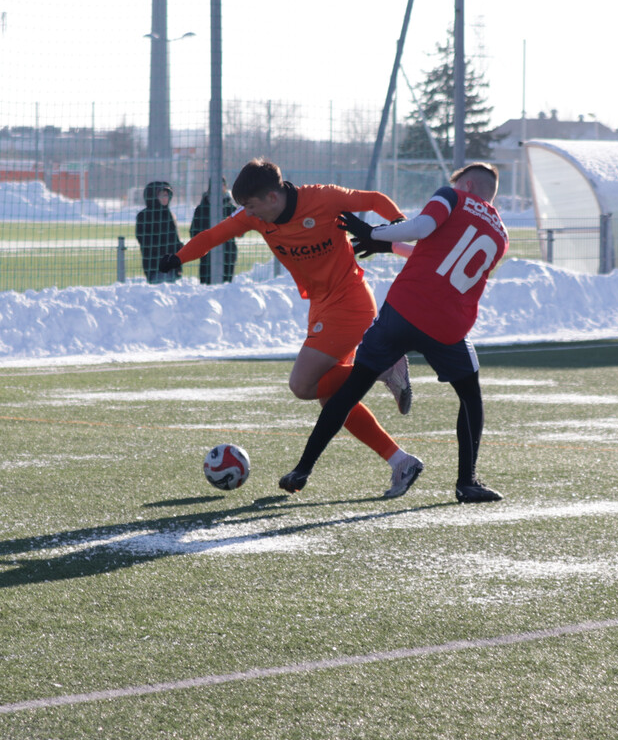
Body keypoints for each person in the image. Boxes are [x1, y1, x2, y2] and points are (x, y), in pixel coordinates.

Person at [159, 157, 420, 498]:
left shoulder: (324, 198)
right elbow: (213, 235)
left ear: (272, 197)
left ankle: (383, 366)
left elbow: (373, 199)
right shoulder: (255, 216)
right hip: (322, 306)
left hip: (350, 302)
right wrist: (179, 258)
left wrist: (397, 224)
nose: (248, 214)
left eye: (251, 206)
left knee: (301, 384)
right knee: (331, 397)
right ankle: (401, 461)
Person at [278, 161, 510, 504]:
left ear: (468, 185)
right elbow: (441, 254)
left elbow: (421, 226)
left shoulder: (453, 196)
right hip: (447, 326)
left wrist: (373, 233)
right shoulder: (501, 234)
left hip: (404, 310)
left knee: (351, 389)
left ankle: (302, 469)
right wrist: (390, 247)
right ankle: (467, 481)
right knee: (470, 399)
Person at [190, 177, 238, 283]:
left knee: (225, 287)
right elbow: (194, 231)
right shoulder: (201, 208)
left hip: (227, 253)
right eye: (217, 185)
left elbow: (240, 232)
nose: (220, 188)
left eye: (222, 185)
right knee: (207, 285)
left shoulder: (231, 208)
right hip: (207, 254)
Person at [135, 181, 183, 283]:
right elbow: (145, 240)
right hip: (156, 267)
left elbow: (175, 240)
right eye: (161, 195)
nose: (165, 198)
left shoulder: (170, 215)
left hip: (172, 266)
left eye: (167, 195)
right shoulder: (144, 216)